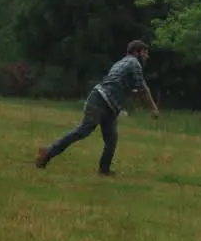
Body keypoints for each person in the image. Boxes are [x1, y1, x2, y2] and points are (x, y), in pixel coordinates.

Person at [35, 40, 160, 176]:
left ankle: (104, 170)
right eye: (145, 52)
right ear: (137, 52)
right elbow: (143, 88)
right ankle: (48, 152)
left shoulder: (123, 62)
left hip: (109, 104)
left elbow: (122, 85)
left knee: (111, 139)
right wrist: (153, 108)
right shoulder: (134, 63)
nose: (147, 56)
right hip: (101, 100)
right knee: (84, 130)